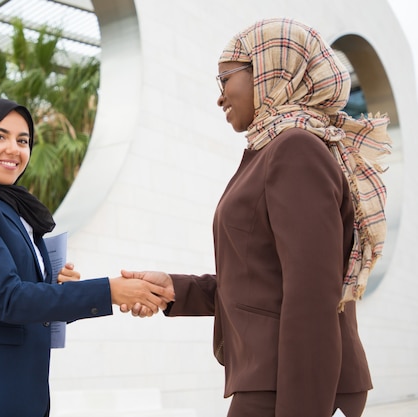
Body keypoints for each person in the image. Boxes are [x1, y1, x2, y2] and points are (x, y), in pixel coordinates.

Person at [121, 18, 392, 417]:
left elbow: (313, 294)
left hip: (291, 384)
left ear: (268, 70)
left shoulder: (296, 149)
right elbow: (262, 280)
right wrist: (174, 288)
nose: (220, 97)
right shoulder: (276, 149)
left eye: (224, 79)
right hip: (275, 379)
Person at [0, 98, 174, 417]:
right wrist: (110, 291)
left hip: (23, 399)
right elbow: (8, 300)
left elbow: (27, 302)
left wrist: (56, 286)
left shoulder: (17, 209)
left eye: (23, 140)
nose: (13, 149)